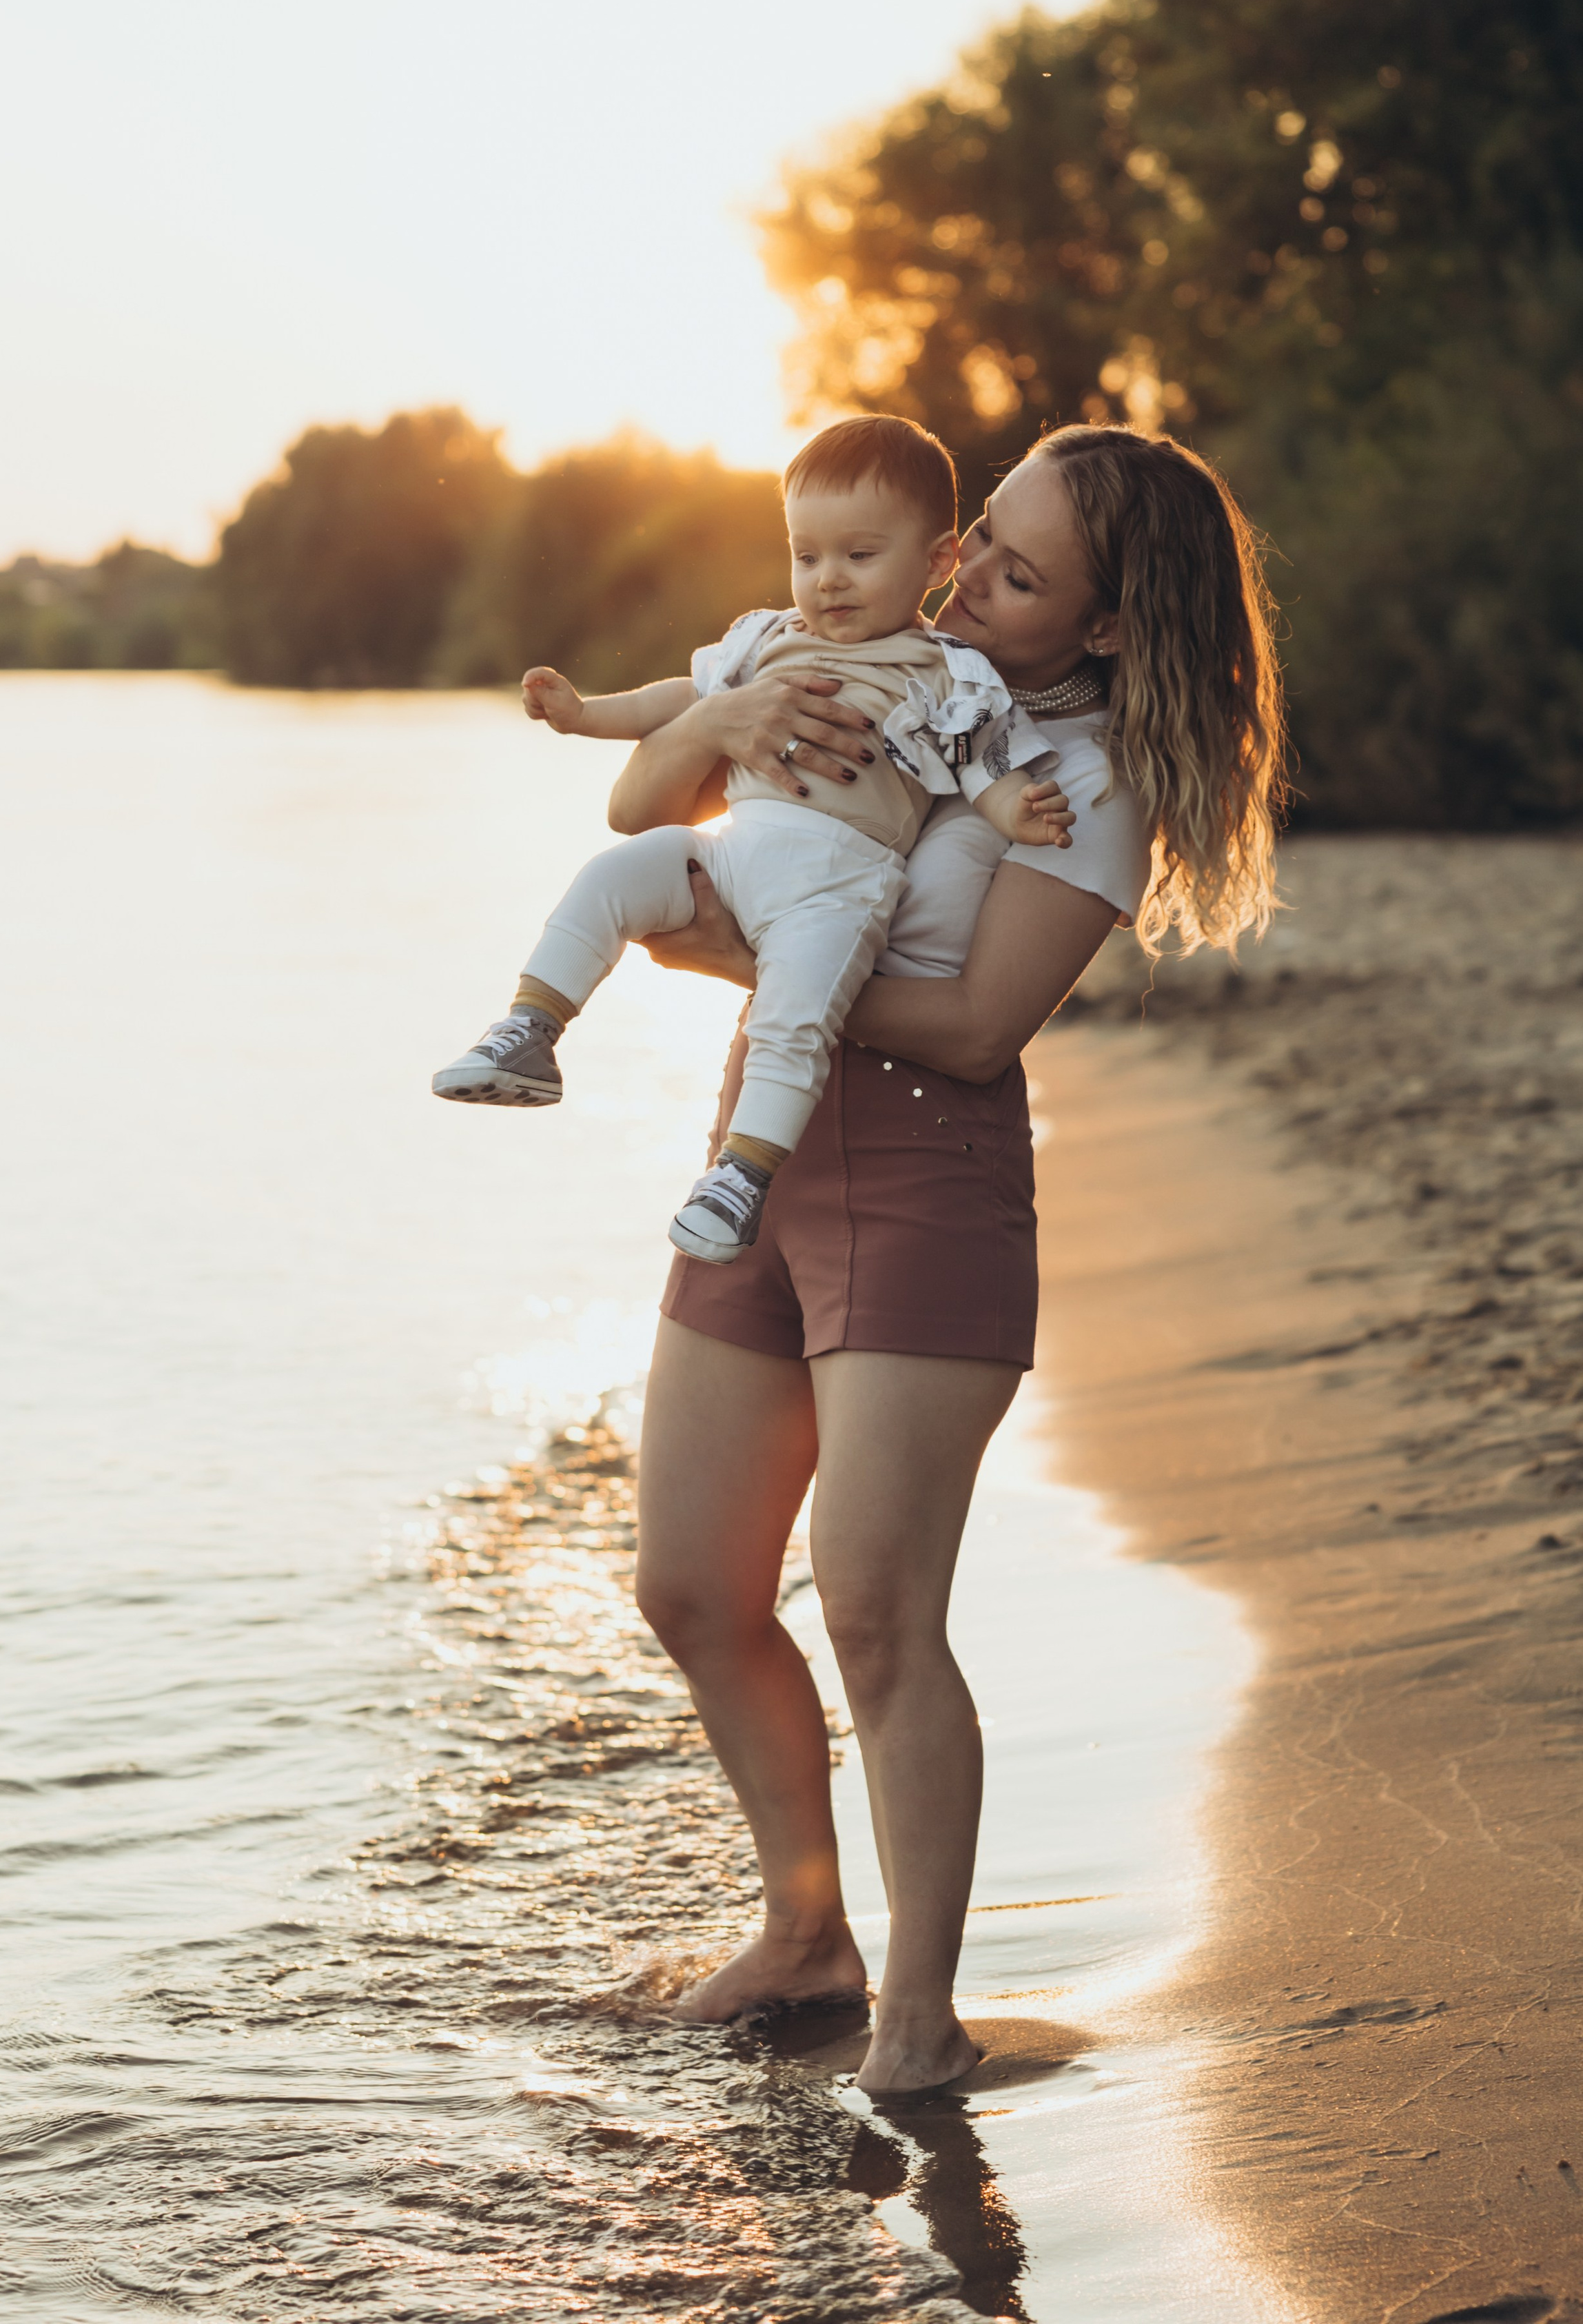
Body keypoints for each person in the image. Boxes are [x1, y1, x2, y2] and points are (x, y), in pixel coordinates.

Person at [609, 421, 1285, 2094]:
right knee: (688, 1583)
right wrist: (715, 720)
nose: (966, 575)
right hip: (760, 1159)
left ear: (1104, 626)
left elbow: (980, 1026)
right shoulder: (867, 665)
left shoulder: (1089, 785)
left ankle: (917, 2011)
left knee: (874, 1610)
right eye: (979, 535)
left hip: (924, 1186)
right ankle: (802, 1932)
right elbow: (667, 809)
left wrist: (740, 964)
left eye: (1018, 572)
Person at [431, 419, 1072, 1263]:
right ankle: (530, 1028)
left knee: (792, 1019)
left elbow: (983, 764)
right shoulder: (770, 638)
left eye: (859, 555)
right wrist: (585, 716)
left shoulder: (945, 672)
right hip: (731, 851)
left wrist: (1016, 812)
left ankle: (741, 1174)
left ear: (936, 561)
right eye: (806, 556)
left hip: (838, 886)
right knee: (612, 876)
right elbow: (677, 700)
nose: (827, 579)